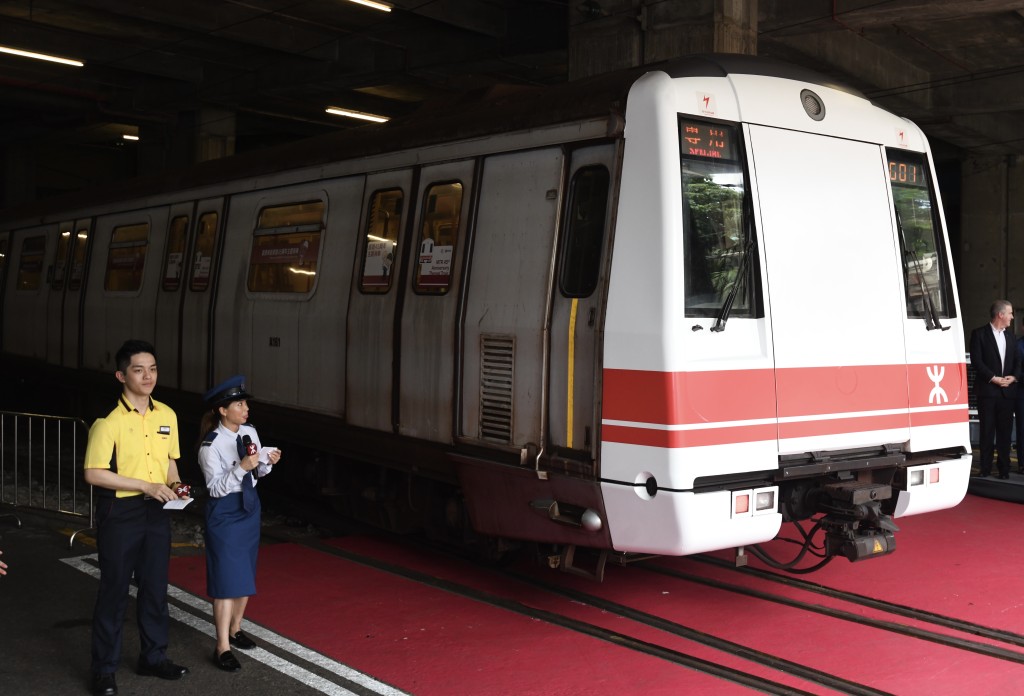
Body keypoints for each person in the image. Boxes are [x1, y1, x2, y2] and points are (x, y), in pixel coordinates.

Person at [83, 339, 190, 696]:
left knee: (155, 589)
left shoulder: (167, 415)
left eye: (153, 369)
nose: (148, 376)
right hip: (122, 511)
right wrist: (145, 485)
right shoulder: (108, 421)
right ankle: (103, 670)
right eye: (139, 369)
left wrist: (176, 485)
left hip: (157, 511)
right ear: (121, 375)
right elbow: (94, 473)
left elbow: (170, 461)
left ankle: (154, 658)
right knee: (113, 591)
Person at [197, 376, 282, 672]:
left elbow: (257, 475)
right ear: (222, 410)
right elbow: (216, 488)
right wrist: (241, 467)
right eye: (239, 404)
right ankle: (221, 646)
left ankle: (236, 628)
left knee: (244, 572)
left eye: (245, 403)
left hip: (249, 508)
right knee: (224, 581)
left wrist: (266, 462)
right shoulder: (211, 445)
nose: (246, 409)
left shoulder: (249, 432)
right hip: (224, 512)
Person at [970, 301, 1021, 479]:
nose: (1012, 317)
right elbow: (977, 361)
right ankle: (984, 470)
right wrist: (993, 378)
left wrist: (1014, 377)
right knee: (987, 432)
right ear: (1000, 315)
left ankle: (1004, 470)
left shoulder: (1011, 337)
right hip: (988, 392)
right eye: (1010, 313)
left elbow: (1017, 362)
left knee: (1005, 434)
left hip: (1007, 393)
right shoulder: (979, 334)